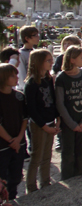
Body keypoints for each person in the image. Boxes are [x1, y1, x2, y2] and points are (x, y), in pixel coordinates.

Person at [24, 50, 60, 194]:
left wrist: (57, 119)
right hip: (39, 125)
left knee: (47, 155)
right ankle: (31, 186)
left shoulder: (48, 79)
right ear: (38, 62)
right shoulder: (31, 83)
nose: (51, 63)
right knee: (36, 156)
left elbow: (53, 100)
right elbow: (32, 110)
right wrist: (45, 127)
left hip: (51, 122)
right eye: (48, 60)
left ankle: (46, 181)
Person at [55, 46, 82, 180]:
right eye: (81, 57)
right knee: (68, 152)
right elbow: (60, 103)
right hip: (68, 122)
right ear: (72, 59)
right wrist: (71, 124)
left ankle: (80, 176)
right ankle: (67, 178)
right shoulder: (62, 78)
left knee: (81, 151)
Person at [0, 64, 27, 200]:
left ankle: (12, 198)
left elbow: (24, 118)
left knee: (16, 176)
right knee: (2, 177)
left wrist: (19, 138)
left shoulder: (19, 96)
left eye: (16, 74)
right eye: (12, 75)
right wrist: (11, 140)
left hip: (19, 142)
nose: (17, 77)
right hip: (3, 145)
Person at [18, 25, 40, 91]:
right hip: (26, 88)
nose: (38, 37)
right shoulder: (21, 54)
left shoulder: (36, 52)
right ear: (27, 38)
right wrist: (25, 88)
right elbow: (21, 74)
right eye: (35, 35)